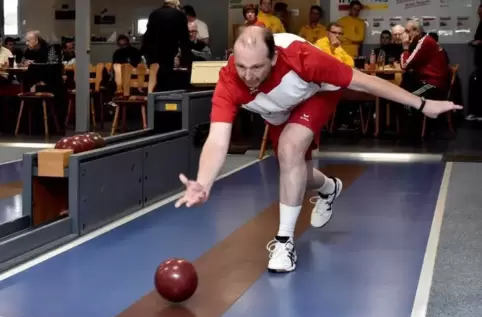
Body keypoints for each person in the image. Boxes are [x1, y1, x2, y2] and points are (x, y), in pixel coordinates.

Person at [175, 26, 461, 273]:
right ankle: (328, 187)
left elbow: (368, 82)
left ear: (274, 58)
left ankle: (284, 244)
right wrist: (203, 181)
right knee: (298, 171)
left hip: (316, 94)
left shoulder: (303, 57)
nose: (248, 76)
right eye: (241, 66)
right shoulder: (228, 81)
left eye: (257, 68)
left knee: (289, 150)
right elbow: (217, 139)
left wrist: (423, 104)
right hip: (278, 111)